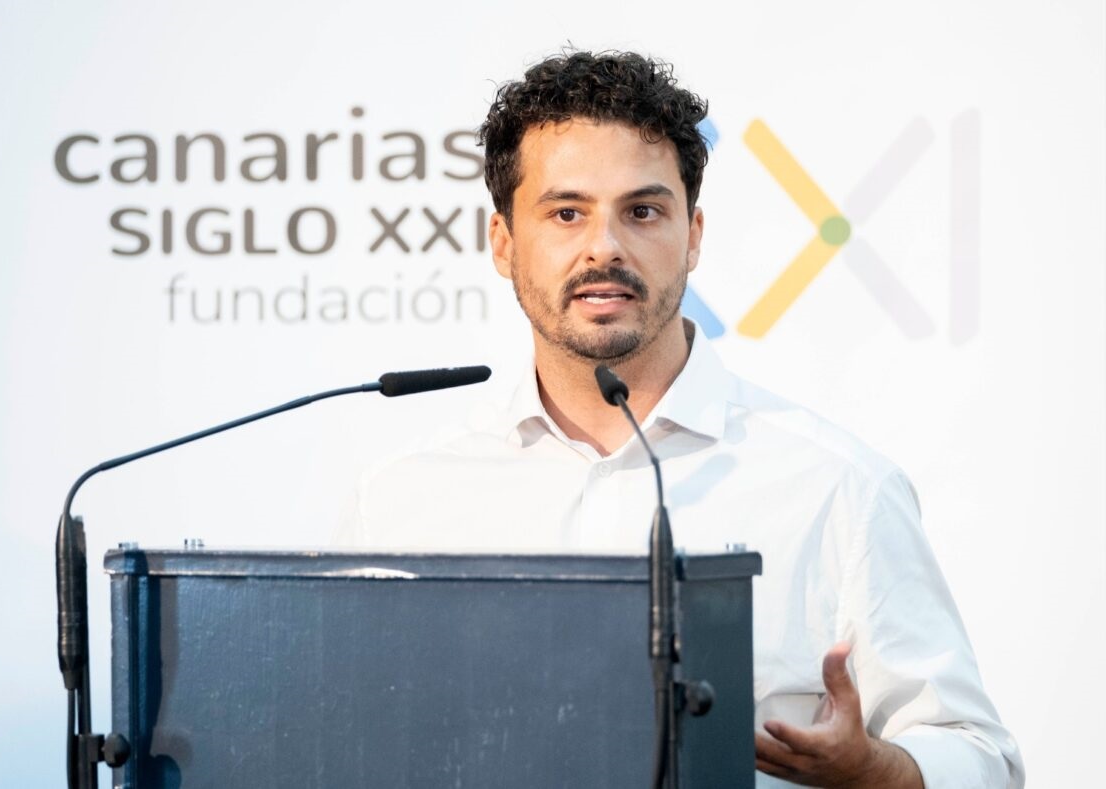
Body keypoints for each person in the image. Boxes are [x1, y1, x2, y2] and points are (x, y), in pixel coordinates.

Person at [345, 50, 1024, 788]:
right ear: (503, 243)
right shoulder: (402, 499)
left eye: (643, 212)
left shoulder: (838, 487)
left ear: (693, 236)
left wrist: (876, 770)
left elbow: (980, 756)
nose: (605, 248)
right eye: (566, 213)